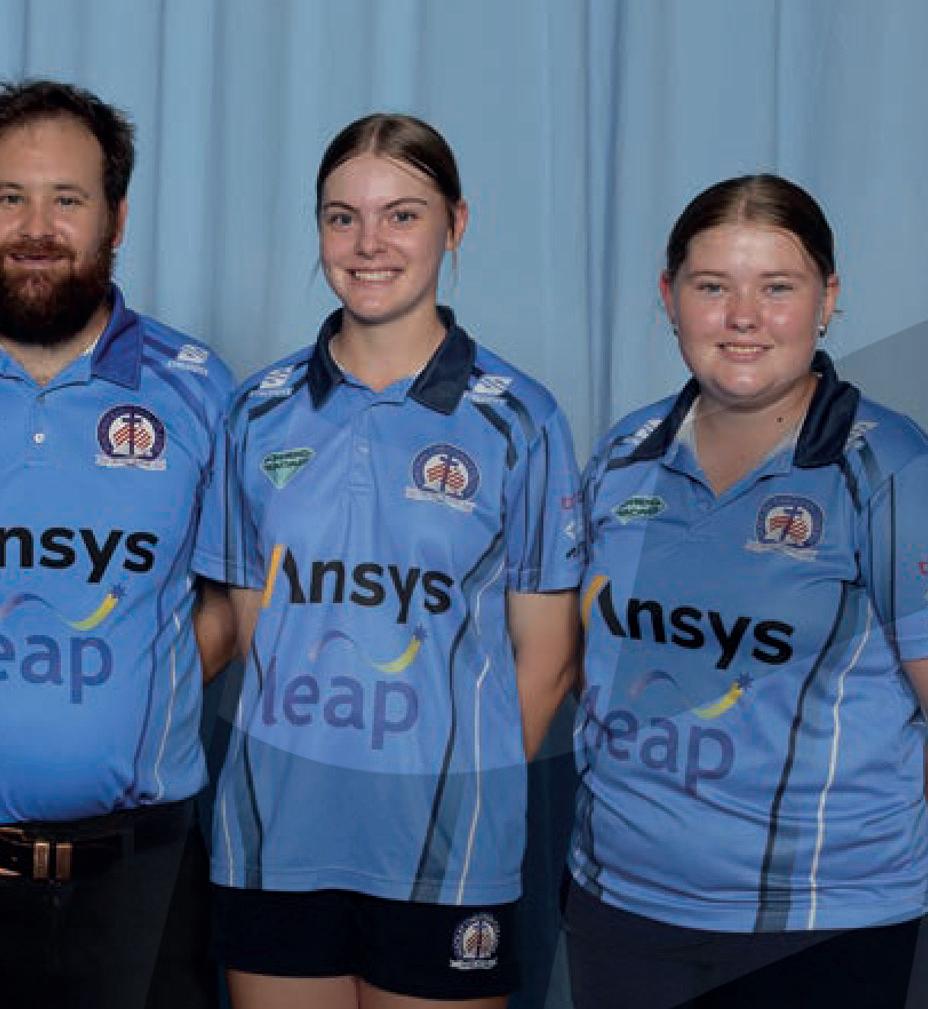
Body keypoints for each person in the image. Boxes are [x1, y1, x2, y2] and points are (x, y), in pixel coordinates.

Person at [192, 113, 582, 1009]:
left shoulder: (519, 418)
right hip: (275, 842)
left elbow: (550, 656)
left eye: (402, 215)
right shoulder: (256, 411)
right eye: (343, 217)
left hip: (446, 854)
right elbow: (253, 631)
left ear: (456, 223)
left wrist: (448, 787)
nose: (369, 243)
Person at [565, 173, 928, 1009]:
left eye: (777, 287)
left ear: (827, 298)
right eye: (712, 287)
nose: (742, 317)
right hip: (620, 906)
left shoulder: (891, 467)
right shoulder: (623, 454)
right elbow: (593, 669)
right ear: (669, 297)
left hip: (824, 925)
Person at [0, 80, 236, 1009]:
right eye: (9, 196)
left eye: (67, 198)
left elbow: (229, 607)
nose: (35, 227)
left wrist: (136, 680)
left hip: (142, 876)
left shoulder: (199, 390)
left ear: (117, 217)